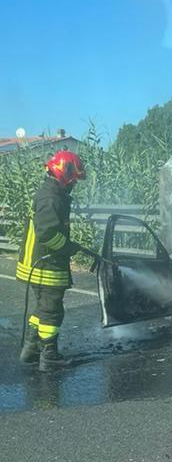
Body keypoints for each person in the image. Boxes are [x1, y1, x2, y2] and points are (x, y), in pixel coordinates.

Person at [17, 150, 92, 372]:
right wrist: (69, 248)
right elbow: (48, 234)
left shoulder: (50, 194)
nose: (74, 185)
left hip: (40, 261)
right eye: (74, 180)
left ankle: (31, 349)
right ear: (65, 175)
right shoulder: (50, 198)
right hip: (45, 264)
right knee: (52, 311)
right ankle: (49, 356)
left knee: (42, 308)